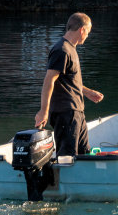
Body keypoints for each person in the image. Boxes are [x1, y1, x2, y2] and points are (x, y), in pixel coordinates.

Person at [34, 12, 103, 157]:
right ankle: (63, 179)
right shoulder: (62, 50)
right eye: (88, 32)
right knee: (67, 156)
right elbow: (49, 80)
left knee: (84, 153)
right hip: (66, 112)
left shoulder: (71, 49)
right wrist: (43, 111)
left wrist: (87, 92)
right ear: (82, 30)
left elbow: (68, 80)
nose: (88, 36)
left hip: (76, 112)